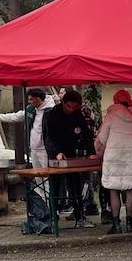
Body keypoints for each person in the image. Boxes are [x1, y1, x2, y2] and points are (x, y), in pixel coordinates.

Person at [96, 89, 132, 234]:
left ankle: (116, 225)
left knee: (113, 190)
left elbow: (102, 138)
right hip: (131, 156)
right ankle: (130, 224)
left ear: (115, 100)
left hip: (114, 157)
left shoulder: (111, 114)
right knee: (130, 190)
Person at [45, 89, 96, 222]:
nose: (71, 110)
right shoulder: (52, 114)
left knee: (74, 184)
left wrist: (91, 153)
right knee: (55, 185)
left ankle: (79, 213)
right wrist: (57, 152)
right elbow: (48, 137)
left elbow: (87, 135)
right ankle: (54, 214)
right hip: (55, 153)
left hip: (71, 152)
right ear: (63, 102)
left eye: (75, 107)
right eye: (69, 107)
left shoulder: (78, 115)